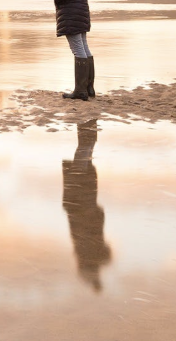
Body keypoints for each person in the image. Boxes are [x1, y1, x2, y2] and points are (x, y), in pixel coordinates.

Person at [62, 119, 112, 290]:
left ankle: (87, 126)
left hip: (81, 201)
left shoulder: (87, 249)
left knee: (84, 154)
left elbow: (87, 227)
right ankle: (87, 126)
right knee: (84, 154)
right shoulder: (88, 249)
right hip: (81, 201)